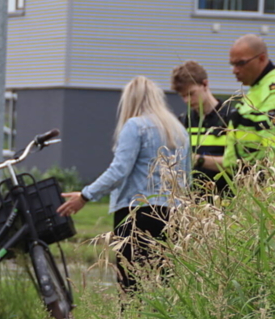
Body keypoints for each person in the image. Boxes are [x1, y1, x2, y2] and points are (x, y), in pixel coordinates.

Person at [56, 76, 189, 292]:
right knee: (166, 288)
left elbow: (119, 170)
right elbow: (186, 176)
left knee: (131, 287)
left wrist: (85, 195)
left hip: (137, 213)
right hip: (173, 214)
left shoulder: (135, 126)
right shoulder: (179, 131)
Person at [218, 34, 275, 177]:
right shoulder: (259, 89)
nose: (235, 70)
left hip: (264, 191)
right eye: (232, 64)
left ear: (262, 59)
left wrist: (271, 197)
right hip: (247, 186)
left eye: (240, 63)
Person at [171, 60, 237, 196]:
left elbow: (238, 164)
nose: (186, 101)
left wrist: (197, 160)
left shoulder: (232, 118)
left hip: (229, 203)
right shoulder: (183, 122)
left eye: (191, 93)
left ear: (205, 84)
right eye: (182, 96)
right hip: (194, 207)